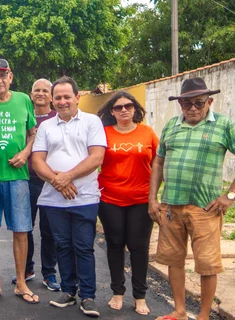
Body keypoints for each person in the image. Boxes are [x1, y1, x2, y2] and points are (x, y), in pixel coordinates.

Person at [149, 77, 235, 320]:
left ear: (209, 101)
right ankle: (180, 311)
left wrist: (231, 194)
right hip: (171, 206)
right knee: (173, 260)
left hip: (206, 209)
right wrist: (153, 198)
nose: (192, 108)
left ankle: (203, 316)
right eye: (186, 103)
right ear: (180, 103)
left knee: (207, 264)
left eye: (198, 103)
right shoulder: (171, 125)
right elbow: (158, 161)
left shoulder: (224, 125)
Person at [32, 76, 106, 317]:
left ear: (77, 97)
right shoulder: (45, 127)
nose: (62, 101)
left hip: (85, 197)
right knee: (62, 245)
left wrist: (68, 177)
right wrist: (57, 181)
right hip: (53, 200)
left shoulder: (92, 122)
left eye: (67, 97)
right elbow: (37, 161)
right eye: (58, 97)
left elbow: (96, 157)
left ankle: (88, 296)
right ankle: (68, 291)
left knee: (83, 247)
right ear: (52, 101)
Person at [0, 58, 39, 304]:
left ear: (10, 76)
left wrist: (26, 152)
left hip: (18, 178)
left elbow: (33, 133)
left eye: (3, 75)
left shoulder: (24, 100)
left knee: (22, 230)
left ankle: (21, 282)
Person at [96, 91, 158, 315]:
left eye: (128, 106)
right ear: (111, 111)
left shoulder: (148, 133)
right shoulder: (103, 133)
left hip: (141, 200)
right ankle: (117, 292)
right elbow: (93, 160)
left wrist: (157, 197)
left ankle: (140, 296)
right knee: (115, 245)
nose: (124, 110)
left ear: (135, 109)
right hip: (110, 198)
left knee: (139, 247)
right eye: (119, 107)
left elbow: (158, 165)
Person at [11, 78, 60, 291]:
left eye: (45, 91)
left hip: (50, 181)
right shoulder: (24, 116)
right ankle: (26, 269)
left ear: (51, 96)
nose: (40, 94)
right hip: (26, 179)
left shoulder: (57, 118)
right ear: (31, 95)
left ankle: (49, 273)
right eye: (36, 90)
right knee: (25, 227)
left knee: (49, 229)